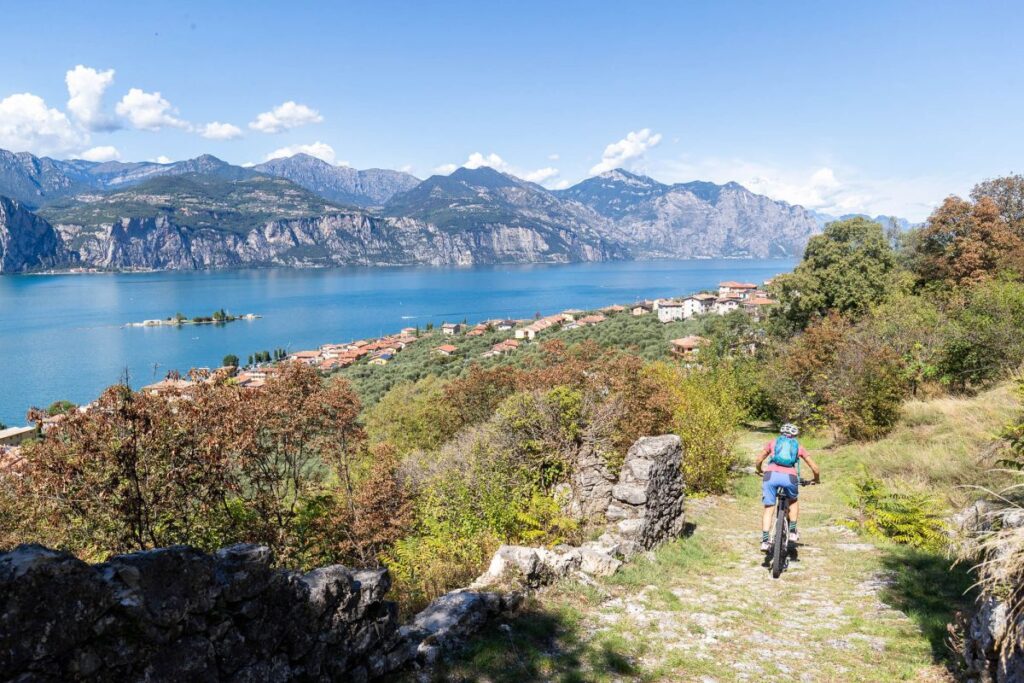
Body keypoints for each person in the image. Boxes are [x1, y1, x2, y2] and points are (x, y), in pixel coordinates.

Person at [754, 423, 820, 551]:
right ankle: (793, 531)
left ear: (781, 433)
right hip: (789, 477)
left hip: (770, 476)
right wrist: (816, 479)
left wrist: (759, 470)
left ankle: (765, 540)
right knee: (793, 500)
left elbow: (758, 460)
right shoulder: (799, 447)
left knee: (768, 508)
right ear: (795, 435)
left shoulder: (772, 443)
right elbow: (815, 468)